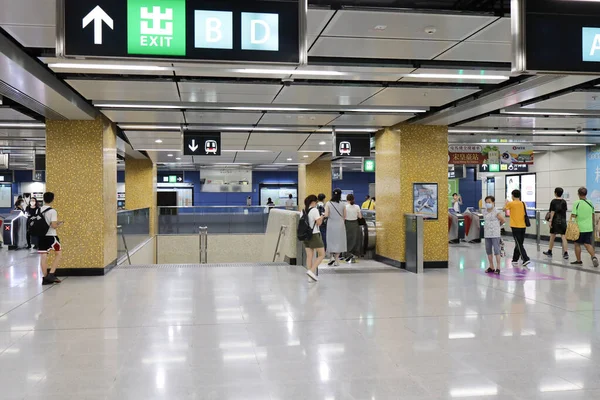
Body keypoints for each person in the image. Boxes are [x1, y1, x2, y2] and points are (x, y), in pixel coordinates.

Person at [38, 192, 63, 285]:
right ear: (53, 199)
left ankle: (45, 278)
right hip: (51, 236)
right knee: (59, 253)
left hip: (41, 236)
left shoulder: (38, 210)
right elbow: (53, 225)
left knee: (43, 256)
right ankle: (51, 274)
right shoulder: (53, 211)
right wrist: (59, 224)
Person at [571, 187, 599, 267]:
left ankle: (579, 260)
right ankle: (593, 257)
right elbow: (593, 215)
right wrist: (593, 225)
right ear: (586, 194)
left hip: (579, 227)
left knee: (577, 244)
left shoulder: (577, 203)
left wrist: (572, 225)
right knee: (587, 244)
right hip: (589, 227)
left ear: (578, 194)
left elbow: (573, 215)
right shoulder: (590, 202)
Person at [503, 189, 531, 267]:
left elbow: (504, 209)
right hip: (523, 226)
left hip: (515, 226)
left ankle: (525, 258)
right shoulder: (523, 203)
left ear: (512, 195)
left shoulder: (511, 203)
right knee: (519, 243)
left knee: (519, 244)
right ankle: (515, 259)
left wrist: (506, 203)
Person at [302, 195, 325, 282]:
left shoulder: (303, 210)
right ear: (313, 202)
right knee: (322, 254)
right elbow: (319, 223)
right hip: (314, 234)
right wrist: (322, 216)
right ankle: (311, 271)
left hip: (305, 235)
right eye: (315, 202)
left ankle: (310, 277)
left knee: (309, 256)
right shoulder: (314, 210)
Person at [543, 187, 569, 260]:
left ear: (556, 193)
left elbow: (552, 212)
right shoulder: (564, 202)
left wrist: (550, 221)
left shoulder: (553, 201)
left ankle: (550, 251)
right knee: (563, 237)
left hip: (555, 221)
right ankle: (566, 253)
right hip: (563, 221)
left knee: (552, 237)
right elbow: (564, 211)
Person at [324, 188, 347, 266]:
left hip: (331, 224)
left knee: (331, 240)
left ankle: (331, 257)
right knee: (339, 241)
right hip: (340, 224)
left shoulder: (328, 203)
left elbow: (326, 215)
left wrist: (322, 215)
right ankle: (337, 260)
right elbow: (345, 216)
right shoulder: (343, 204)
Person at [483, 196, 505, 274]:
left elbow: (503, 220)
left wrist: (497, 226)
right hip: (487, 234)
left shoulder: (496, 211)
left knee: (496, 250)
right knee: (488, 250)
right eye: (486, 202)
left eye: (489, 202)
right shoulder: (484, 211)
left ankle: (498, 267)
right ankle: (491, 266)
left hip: (495, 234)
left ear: (493, 202)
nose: (488, 204)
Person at [344, 194, 363, 263]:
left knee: (348, 238)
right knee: (355, 239)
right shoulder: (357, 206)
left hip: (347, 224)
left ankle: (347, 253)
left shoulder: (345, 207)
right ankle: (355, 253)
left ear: (347, 199)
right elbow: (360, 217)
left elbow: (344, 216)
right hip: (355, 224)